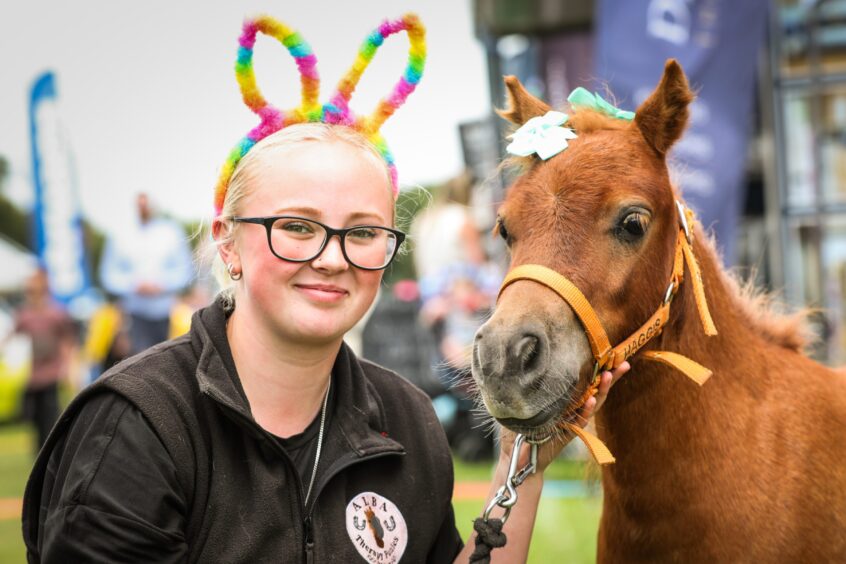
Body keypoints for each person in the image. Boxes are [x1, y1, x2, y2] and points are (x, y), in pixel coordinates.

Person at [22, 14, 628, 562]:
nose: (332, 257)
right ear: (227, 243)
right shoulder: (140, 423)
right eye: (296, 226)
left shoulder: (407, 421)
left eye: (363, 233)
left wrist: (518, 460)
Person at [99, 192, 193, 355]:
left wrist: (162, 285)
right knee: (138, 363)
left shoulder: (171, 233)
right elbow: (108, 275)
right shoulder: (119, 234)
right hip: (133, 315)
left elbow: (185, 272)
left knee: (169, 362)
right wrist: (133, 285)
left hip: (168, 314)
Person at [2, 269, 76, 451]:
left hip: (51, 371)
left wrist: (68, 366)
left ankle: (52, 446)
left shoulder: (56, 313)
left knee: (50, 412)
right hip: (33, 373)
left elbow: (67, 340)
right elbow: (12, 335)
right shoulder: (24, 314)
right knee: (34, 414)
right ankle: (39, 449)